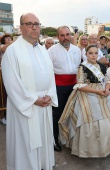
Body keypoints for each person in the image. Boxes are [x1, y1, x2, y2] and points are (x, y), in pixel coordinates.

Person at [1, 13, 58, 170]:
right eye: (29, 24)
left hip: (44, 103)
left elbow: (50, 75)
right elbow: (11, 82)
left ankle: (42, 165)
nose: (34, 27)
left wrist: (50, 95)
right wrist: (34, 100)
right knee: (26, 141)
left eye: (37, 24)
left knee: (43, 138)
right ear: (21, 28)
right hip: (26, 106)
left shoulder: (43, 50)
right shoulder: (12, 51)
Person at [59, 44, 110, 158]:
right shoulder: (82, 67)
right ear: (86, 54)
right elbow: (79, 85)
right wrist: (97, 92)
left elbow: (107, 80)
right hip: (87, 93)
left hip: (103, 92)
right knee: (88, 115)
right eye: (90, 53)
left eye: (95, 53)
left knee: (108, 115)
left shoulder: (102, 66)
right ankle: (89, 150)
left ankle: (107, 146)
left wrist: (107, 89)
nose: (93, 55)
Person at [48, 26, 81, 152]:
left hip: (74, 87)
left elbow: (79, 69)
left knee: (73, 114)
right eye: (62, 35)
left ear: (70, 35)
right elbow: (48, 72)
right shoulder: (51, 51)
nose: (65, 37)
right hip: (58, 87)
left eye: (67, 34)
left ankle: (69, 139)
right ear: (58, 37)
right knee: (58, 114)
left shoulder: (77, 50)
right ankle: (54, 140)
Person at [0, 34, 13, 125]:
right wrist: (12, 42)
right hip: (2, 73)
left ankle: (9, 116)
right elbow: (3, 49)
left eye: (10, 38)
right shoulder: (2, 46)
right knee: (2, 96)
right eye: (6, 38)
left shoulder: (14, 47)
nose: (8, 39)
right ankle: (2, 117)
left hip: (11, 73)